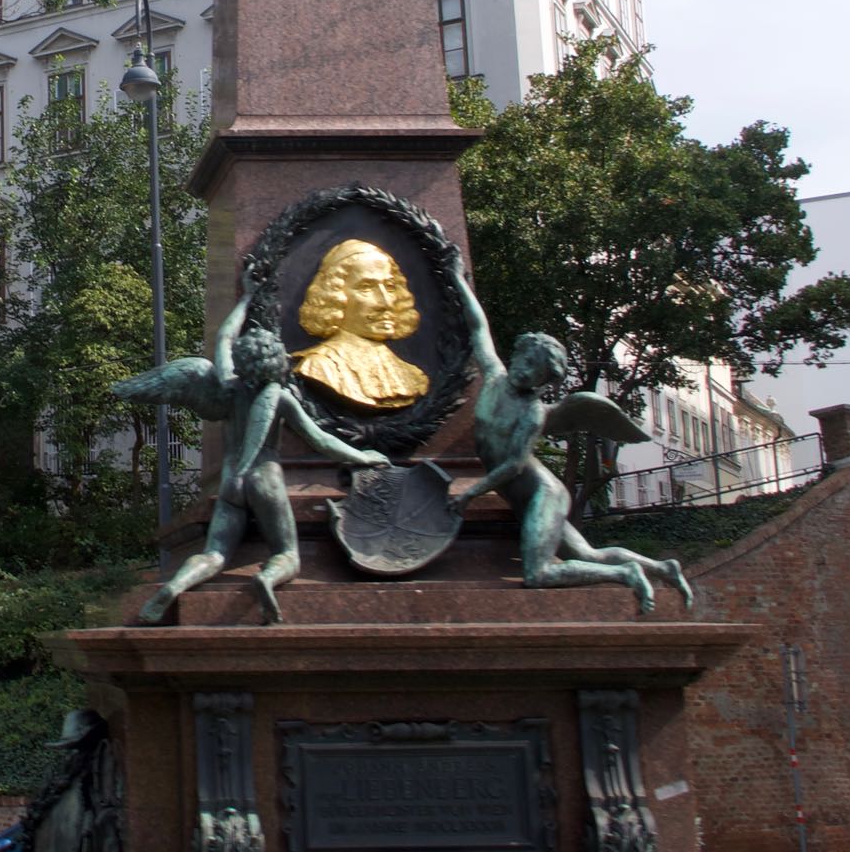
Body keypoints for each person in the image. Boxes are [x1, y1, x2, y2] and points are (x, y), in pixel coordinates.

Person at [117, 295, 388, 623]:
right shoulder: (281, 398)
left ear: (243, 360)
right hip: (264, 477)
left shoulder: (227, 387)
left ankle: (175, 586)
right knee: (287, 553)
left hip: (232, 479)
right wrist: (362, 457)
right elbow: (321, 440)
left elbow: (224, 336)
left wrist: (246, 296)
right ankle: (267, 578)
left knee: (215, 554)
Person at [448, 263, 691, 612]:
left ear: (544, 381)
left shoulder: (533, 413)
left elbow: (515, 465)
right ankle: (663, 568)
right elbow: (477, 326)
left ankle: (625, 574)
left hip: (543, 495)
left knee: (538, 574)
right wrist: (457, 277)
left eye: (535, 370)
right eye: (524, 360)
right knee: (588, 555)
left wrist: (470, 493)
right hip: (527, 498)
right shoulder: (494, 376)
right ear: (517, 354)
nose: (523, 370)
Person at [292, 238, 430, 408]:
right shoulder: (320, 367)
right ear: (334, 296)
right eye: (366, 287)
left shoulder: (411, 374)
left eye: (390, 286)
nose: (386, 303)